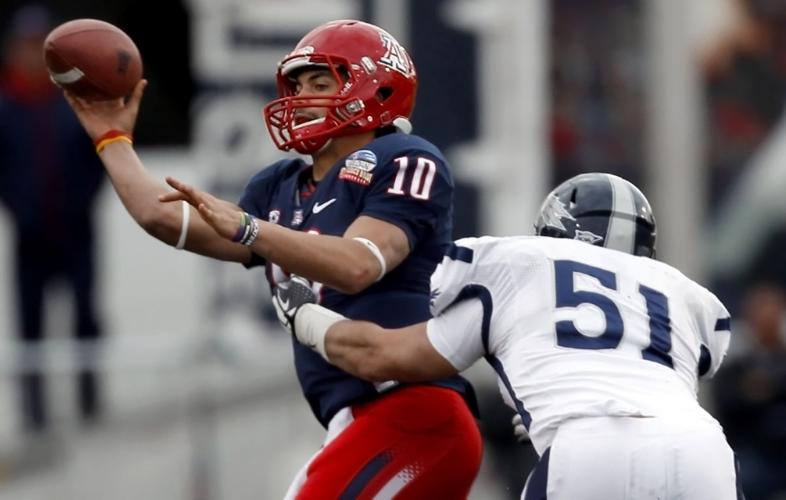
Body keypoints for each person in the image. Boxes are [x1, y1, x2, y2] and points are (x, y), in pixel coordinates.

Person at [63, 19, 481, 499]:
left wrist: (250, 229)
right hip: (354, 421)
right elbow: (163, 218)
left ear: (378, 86)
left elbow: (358, 264)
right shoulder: (279, 185)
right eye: (297, 84)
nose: (301, 97)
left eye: (320, 83)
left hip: (413, 414)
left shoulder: (404, 157)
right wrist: (112, 141)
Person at [275, 173, 744, 500]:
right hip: (702, 450)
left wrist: (304, 318)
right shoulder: (682, 293)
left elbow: (378, 355)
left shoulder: (519, 265)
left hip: (588, 447)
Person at [0, 4, 105, 433]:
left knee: (86, 317)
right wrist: (20, 209)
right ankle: (35, 412)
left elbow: (98, 160)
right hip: (30, 234)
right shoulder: (6, 106)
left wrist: (82, 203)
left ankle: (90, 402)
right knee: (30, 326)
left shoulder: (74, 103)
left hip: (76, 229)